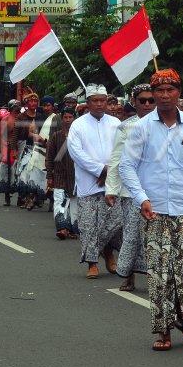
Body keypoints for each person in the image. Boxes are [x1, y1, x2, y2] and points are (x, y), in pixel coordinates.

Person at [119, 68, 183, 351]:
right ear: (153, 94)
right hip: (154, 209)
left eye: (171, 90)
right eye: (160, 90)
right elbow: (126, 166)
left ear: (179, 92)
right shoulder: (142, 128)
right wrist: (141, 198)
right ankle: (163, 330)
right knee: (159, 273)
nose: (165, 95)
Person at [67, 84, 121, 279]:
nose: (99, 104)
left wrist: (110, 171)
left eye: (102, 100)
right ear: (88, 103)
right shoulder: (78, 125)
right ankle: (92, 263)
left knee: (113, 222)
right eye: (95, 101)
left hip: (112, 183)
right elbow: (76, 153)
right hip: (88, 183)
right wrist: (100, 170)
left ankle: (108, 253)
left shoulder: (116, 123)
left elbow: (122, 151)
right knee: (89, 225)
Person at [105, 83, 156, 291]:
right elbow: (117, 158)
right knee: (132, 234)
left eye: (150, 100)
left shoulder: (168, 124)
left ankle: (160, 279)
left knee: (159, 235)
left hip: (160, 189)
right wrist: (111, 188)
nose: (146, 104)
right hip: (131, 191)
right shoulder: (126, 127)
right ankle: (128, 276)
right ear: (133, 102)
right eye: (142, 100)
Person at [46, 107, 79, 239]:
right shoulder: (56, 136)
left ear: (74, 119)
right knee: (60, 200)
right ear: (61, 119)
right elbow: (49, 156)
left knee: (73, 202)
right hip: (59, 173)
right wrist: (49, 175)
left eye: (70, 117)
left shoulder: (80, 135)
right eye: (65, 117)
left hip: (77, 175)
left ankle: (71, 228)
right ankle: (62, 228)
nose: (68, 120)